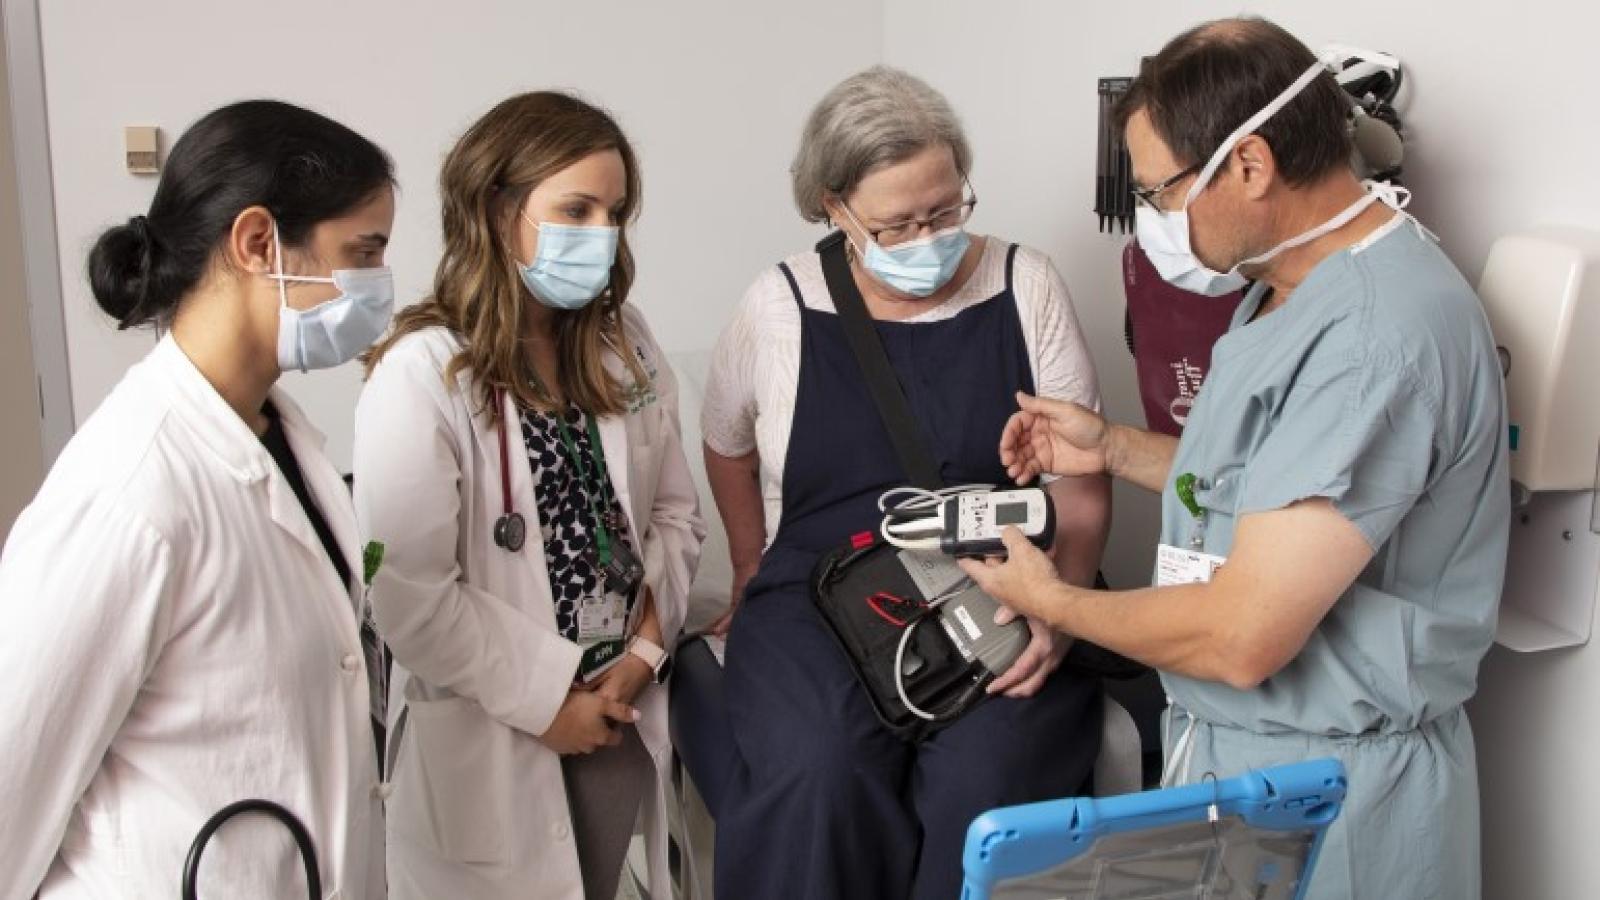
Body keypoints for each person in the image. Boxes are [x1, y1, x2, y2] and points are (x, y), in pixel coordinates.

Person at [961, 18, 1508, 900]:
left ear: (1250, 165)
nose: (1155, 222)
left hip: (1330, 795)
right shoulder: (1284, 287)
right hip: (1242, 766)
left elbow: (1243, 634)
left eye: (1162, 193)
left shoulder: (1377, 337)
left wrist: (1053, 600)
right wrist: (1114, 448)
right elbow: (1271, 483)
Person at [701, 66, 1109, 900]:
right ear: (832, 207)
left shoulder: (1025, 284)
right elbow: (725, 444)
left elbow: (1081, 478)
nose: (930, 236)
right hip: (816, 586)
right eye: (898, 223)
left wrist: (1060, 611)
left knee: (987, 782)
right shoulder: (777, 306)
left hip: (1001, 581)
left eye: (947, 209)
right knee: (818, 765)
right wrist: (749, 564)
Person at [0, 100, 396, 898]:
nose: (380, 288)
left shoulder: (277, 439)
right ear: (257, 243)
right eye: (362, 253)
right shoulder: (127, 491)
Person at [354, 91, 703, 900]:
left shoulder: (626, 343)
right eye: (575, 208)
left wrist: (647, 653)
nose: (601, 235)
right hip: (500, 729)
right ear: (495, 208)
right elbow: (406, 594)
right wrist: (550, 701)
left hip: (619, 711)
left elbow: (674, 516)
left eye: (614, 213)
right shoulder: (422, 372)